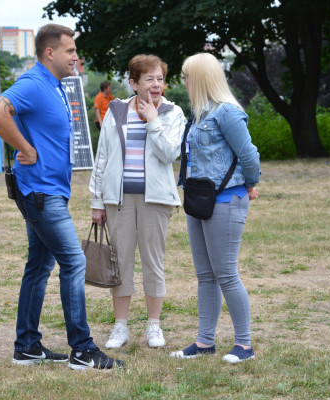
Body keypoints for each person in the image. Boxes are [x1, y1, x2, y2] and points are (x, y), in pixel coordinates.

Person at [0, 24, 123, 370]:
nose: (75, 56)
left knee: (39, 266)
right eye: (70, 50)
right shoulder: (34, 83)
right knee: (74, 262)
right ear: (50, 53)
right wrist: (25, 148)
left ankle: (27, 346)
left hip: (48, 191)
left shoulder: (56, 85)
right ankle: (83, 350)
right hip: (40, 192)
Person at [170, 53, 260, 364]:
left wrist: (250, 183)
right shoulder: (198, 115)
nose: (184, 82)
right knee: (205, 275)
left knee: (226, 274)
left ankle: (244, 345)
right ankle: (204, 342)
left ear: (200, 79)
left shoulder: (227, 113)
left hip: (226, 200)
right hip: (199, 200)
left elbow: (249, 155)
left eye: (187, 77)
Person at [89, 54, 184, 349]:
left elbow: (170, 154)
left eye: (160, 79)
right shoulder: (116, 110)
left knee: (154, 262)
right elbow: (102, 157)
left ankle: (154, 326)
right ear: (133, 83)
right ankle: (120, 327)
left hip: (156, 200)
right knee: (120, 263)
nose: (156, 85)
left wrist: (153, 120)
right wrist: (97, 200)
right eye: (149, 79)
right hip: (118, 200)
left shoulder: (172, 112)